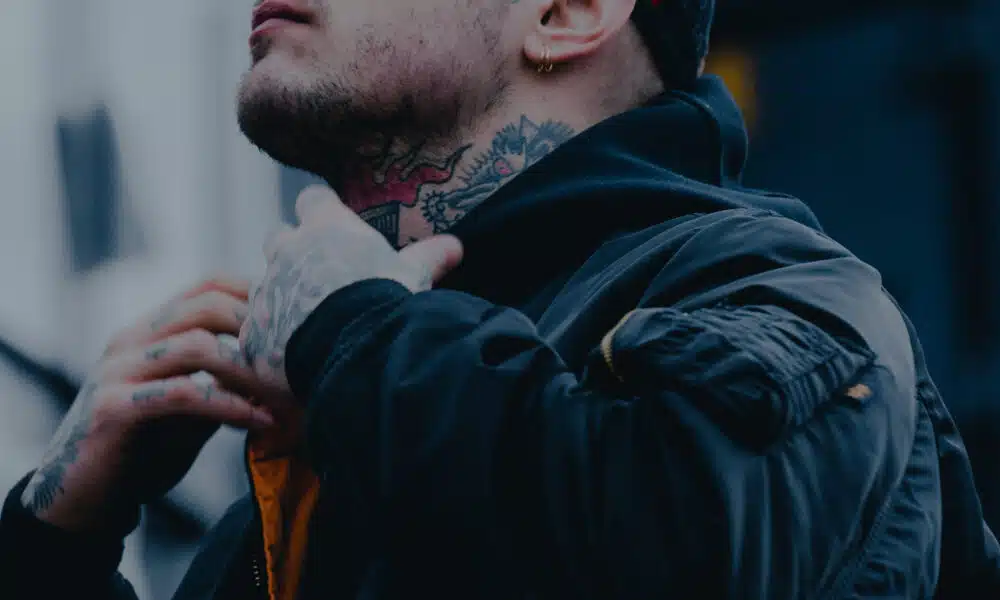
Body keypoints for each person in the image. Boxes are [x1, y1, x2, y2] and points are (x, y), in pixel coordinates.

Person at [3, 0, 999, 596]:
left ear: (565, 11)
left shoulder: (786, 297)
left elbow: (684, 563)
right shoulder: (309, 457)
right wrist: (53, 549)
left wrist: (362, 337)